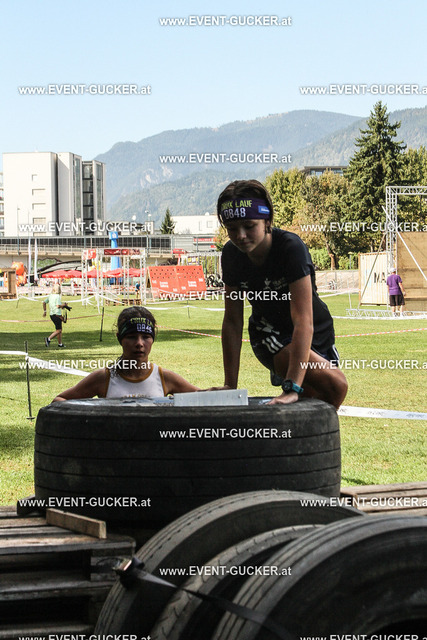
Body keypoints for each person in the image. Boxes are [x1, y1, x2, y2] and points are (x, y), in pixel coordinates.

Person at [216, 179, 348, 409]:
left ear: (267, 221)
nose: (240, 236)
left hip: (315, 332)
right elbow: (232, 321)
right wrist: (230, 385)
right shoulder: (231, 255)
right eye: (232, 229)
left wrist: (293, 388)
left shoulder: (290, 248)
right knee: (337, 385)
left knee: (318, 398)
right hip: (270, 334)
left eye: (249, 226)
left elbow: (303, 320)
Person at [52, 306, 199, 401]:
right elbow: (59, 401)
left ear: (153, 339)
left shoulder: (164, 378)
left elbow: (203, 398)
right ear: (120, 339)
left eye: (146, 337)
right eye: (132, 337)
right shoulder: (104, 378)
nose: (139, 343)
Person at [43, 284, 69, 348]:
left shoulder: (50, 296)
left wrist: (45, 311)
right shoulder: (57, 296)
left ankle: (60, 344)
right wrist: (64, 305)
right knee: (59, 330)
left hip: (52, 314)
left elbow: (44, 302)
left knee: (59, 329)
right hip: (57, 314)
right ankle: (48, 339)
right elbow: (58, 306)